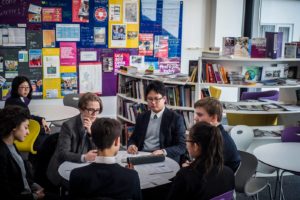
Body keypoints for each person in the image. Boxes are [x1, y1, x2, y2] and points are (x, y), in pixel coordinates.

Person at [69, 118, 142, 200]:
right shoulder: (132, 176)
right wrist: (129, 172)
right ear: (117, 141)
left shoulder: (76, 175)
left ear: (93, 139)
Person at [167, 122, 235, 200]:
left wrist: (187, 171)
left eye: (187, 140)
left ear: (195, 146)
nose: (186, 145)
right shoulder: (229, 172)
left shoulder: (185, 176)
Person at [47, 92, 103, 186]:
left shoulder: (99, 124)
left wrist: (91, 133)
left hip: (86, 166)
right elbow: (63, 153)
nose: (94, 114)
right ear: (81, 109)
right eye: (91, 110)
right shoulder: (68, 126)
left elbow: (100, 150)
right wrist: (84, 157)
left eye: (97, 110)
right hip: (65, 167)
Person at [127, 80, 186, 163]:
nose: (153, 102)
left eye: (156, 99)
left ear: (164, 99)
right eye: (150, 99)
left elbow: (182, 146)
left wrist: (163, 152)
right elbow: (133, 138)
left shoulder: (176, 118)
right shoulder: (142, 117)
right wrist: (131, 145)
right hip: (142, 154)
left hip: (163, 157)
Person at [0, 106, 45, 199]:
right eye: (26, 127)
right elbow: (6, 193)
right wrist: (35, 196)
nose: (28, 132)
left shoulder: (12, 145)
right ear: (14, 127)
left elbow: (21, 176)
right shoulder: (2, 154)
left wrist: (34, 185)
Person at [193, 97, 240, 172]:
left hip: (220, 180)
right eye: (195, 114)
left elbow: (209, 171)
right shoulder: (213, 134)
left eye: (200, 115)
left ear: (214, 118)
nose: (195, 118)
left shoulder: (219, 140)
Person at [5, 76, 50, 150]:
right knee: (48, 139)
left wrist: (41, 119)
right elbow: (29, 121)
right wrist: (43, 129)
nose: (26, 89)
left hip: (17, 133)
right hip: (22, 135)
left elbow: (26, 116)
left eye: (28, 87)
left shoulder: (13, 100)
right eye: (23, 87)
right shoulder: (17, 102)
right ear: (16, 88)